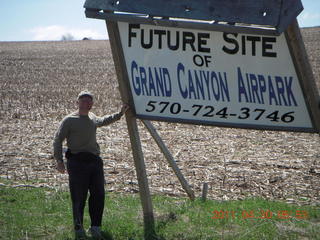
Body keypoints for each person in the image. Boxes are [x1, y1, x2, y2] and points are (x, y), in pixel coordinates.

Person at [53, 90, 129, 239]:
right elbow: (57, 140)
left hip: (94, 161)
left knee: (98, 194)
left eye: (89, 101)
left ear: (91, 104)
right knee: (78, 197)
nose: (86, 103)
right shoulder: (69, 120)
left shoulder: (92, 117)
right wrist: (59, 161)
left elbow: (103, 121)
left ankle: (95, 227)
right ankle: (79, 229)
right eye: (83, 100)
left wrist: (120, 114)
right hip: (77, 162)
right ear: (78, 102)